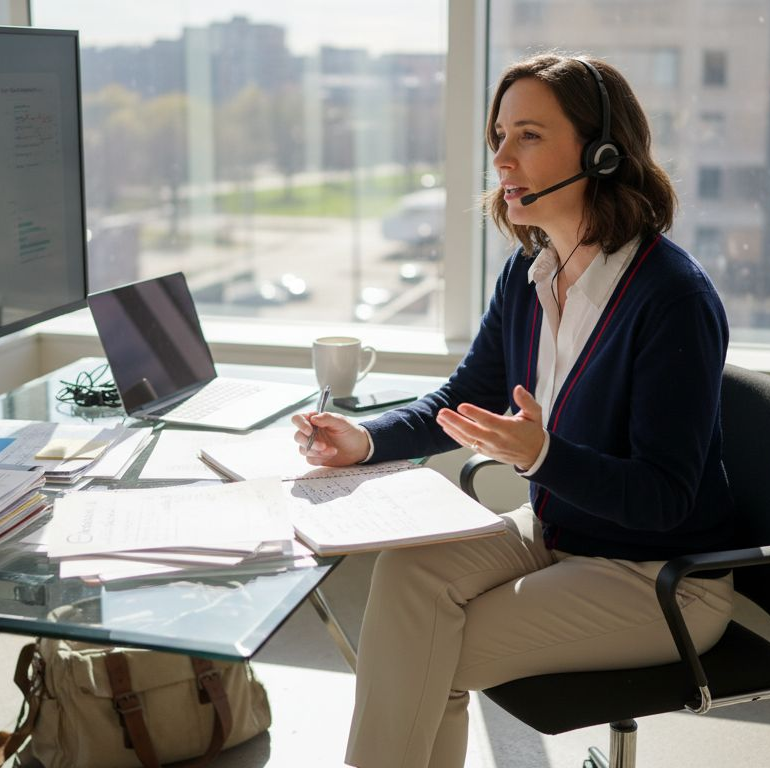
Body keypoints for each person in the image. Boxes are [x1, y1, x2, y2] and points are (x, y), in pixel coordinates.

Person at [291, 53, 736, 768]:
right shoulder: (530, 271)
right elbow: (461, 396)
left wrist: (541, 457)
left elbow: (664, 498)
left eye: (527, 136)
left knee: (425, 654)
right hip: (559, 529)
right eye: (498, 136)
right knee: (407, 578)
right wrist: (364, 441)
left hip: (660, 574)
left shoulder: (672, 299)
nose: (501, 159)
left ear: (601, 152)